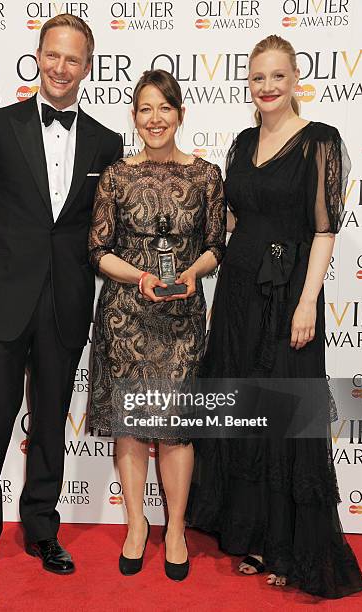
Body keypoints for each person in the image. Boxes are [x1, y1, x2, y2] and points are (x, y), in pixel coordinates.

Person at [0, 14, 123, 590]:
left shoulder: (105, 141)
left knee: (49, 422)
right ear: (37, 56)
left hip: (65, 303)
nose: (61, 68)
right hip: (1, 302)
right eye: (53, 55)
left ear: (87, 66)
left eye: (73, 59)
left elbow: (101, 229)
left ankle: (43, 529)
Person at [186, 34, 362, 598]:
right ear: (249, 83)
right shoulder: (241, 143)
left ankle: (291, 546)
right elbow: (238, 220)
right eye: (258, 77)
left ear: (295, 81)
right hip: (237, 292)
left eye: (277, 76)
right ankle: (255, 534)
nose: (267, 86)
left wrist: (309, 300)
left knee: (288, 418)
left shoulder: (319, 142)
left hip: (289, 295)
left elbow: (324, 229)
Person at [88, 69, 226, 581]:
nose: (155, 118)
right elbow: (98, 250)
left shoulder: (207, 175)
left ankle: (174, 529)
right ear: (134, 117)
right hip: (127, 316)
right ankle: (134, 525)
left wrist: (191, 273)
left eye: (164, 108)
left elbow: (217, 245)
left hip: (182, 317)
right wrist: (142, 276)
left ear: (181, 114)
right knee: (130, 426)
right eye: (145, 109)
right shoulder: (117, 176)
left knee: (175, 431)